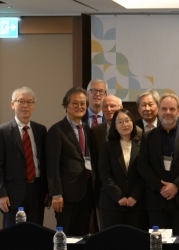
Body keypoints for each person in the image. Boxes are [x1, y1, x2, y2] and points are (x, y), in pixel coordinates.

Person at [137, 93, 179, 235]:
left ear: (178, 111)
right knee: (158, 244)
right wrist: (161, 186)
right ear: (158, 111)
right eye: (164, 109)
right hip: (156, 200)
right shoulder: (147, 137)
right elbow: (142, 165)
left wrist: (176, 185)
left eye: (172, 109)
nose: (168, 113)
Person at [0, 87, 49, 228]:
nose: (25, 105)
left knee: (36, 234)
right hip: (12, 194)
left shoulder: (41, 130)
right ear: (12, 104)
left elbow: (45, 162)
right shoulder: (2, 131)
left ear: (34, 106)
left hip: (37, 190)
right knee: (13, 236)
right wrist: (1, 194)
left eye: (30, 102)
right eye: (21, 101)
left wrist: (47, 189)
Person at [47, 87, 97, 236]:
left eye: (83, 103)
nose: (79, 107)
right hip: (66, 196)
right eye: (75, 103)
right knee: (66, 236)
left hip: (86, 192)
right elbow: (52, 165)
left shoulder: (88, 130)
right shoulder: (56, 130)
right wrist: (56, 194)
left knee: (82, 235)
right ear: (66, 106)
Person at [98, 109, 145, 229]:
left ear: (133, 123)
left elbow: (144, 173)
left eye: (127, 120)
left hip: (136, 204)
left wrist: (135, 196)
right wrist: (119, 196)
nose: (124, 124)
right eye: (120, 122)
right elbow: (104, 174)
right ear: (114, 126)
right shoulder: (107, 147)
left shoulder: (142, 145)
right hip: (112, 203)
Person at [90, 94, 124, 230]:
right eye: (105, 106)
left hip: (129, 192)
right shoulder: (95, 131)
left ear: (121, 108)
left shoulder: (133, 131)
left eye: (113, 106)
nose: (109, 109)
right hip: (104, 191)